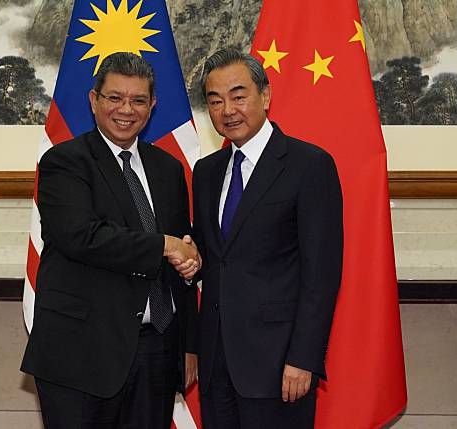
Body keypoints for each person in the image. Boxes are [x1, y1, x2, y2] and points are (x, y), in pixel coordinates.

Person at [21, 52, 200, 429]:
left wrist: (189, 265)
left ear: (152, 105)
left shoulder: (168, 170)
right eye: (114, 97)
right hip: (81, 355)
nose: (126, 109)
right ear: (93, 100)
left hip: (155, 352)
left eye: (138, 100)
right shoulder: (64, 162)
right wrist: (165, 246)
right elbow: (82, 237)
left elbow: (181, 247)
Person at [190, 48, 343, 428]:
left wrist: (304, 358)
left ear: (266, 96)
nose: (228, 110)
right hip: (216, 364)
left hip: (278, 365)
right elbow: (213, 259)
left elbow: (320, 274)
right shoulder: (206, 172)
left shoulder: (309, 166)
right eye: (215, 100)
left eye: (239, 96)